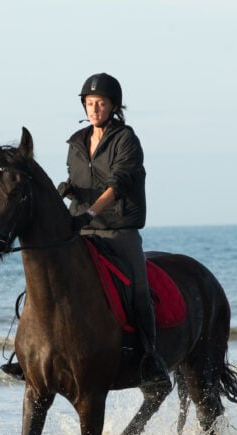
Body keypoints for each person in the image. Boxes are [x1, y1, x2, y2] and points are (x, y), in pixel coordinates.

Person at [62, 72, 170, 387]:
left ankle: (151, 357)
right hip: (81, 226)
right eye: (90, 103)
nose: (94, 109)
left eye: (101, 103)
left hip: (119, 229)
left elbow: (119, 183)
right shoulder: (77, 143)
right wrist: (65, 190)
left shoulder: (126, 140)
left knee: (138, 291)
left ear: (113, 106)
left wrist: (93, 211)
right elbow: (81, 182)